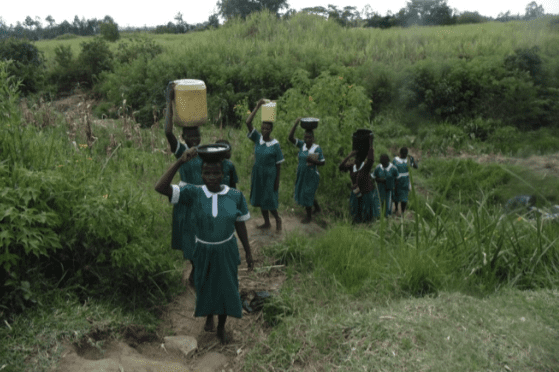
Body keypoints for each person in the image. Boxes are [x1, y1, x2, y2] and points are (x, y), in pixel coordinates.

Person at [154, 147, 254, 344]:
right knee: (205, 285)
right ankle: (209, 315)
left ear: (223, 174)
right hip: (203, 250)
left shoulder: (235, 196)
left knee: (226, 287)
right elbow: (160, 187)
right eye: (206, 172)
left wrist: (249, 252)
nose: (211, 177)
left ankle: (221, 327)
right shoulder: (193, 193)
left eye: (216, 172)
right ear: (200, 174)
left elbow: (240, 225)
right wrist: (180, 162)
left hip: (226, 250)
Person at [164, 82, 203, 286]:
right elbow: (168, 132)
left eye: (197, 135)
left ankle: (197, 268)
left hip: (202, 198)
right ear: (184, 137)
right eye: (190, 136)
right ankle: (194, 267)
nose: (194, 138)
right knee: (189, 235)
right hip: (187, 198)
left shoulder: (204, 151)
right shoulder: (182, 152)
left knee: (202, 234)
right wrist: (170, 102)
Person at [245, 98, 284, 231]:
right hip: (258, 173)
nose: (264, 130)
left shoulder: (275, 145)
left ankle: (278, 219)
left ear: (271, 129)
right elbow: (248, 122)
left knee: (269, 199)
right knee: (261, 197)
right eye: (263, 127)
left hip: (270, 174)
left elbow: (279, 164)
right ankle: (267, 222)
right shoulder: (257, 138)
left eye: (267, 128)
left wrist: (277, 181)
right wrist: (257, 107)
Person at [288, 117, 325, 223]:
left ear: (313, 139)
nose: (306, 139)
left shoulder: (316, 148)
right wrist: (295, 123)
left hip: (311, 175)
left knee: (307, 193)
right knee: (307, 192)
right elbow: (290, 138)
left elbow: (322, 162)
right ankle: (317, 208)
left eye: (309, 138)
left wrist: (313, 161)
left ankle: (308, 217)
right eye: (305, 137)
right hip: (302, 174)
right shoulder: (302, 145)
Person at [339, 136, 379, 224]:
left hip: (365, 192)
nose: (357, 159)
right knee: (355, 210)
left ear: (363, 159)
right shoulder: (352, 166)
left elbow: (371, 159)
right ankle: (356, 223)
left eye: (359, 158)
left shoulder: (365, 167)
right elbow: (341, 167)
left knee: (366, 211)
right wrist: (349, 155)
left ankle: (366, 224)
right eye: (356, 157)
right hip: (356, 192)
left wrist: (370, 145)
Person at [393, 147, 418, 216]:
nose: (404, 155)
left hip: (401, 180)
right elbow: (416, 167)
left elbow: (416, 166)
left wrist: (412, 160)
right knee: (400, 195)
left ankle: (399, 210)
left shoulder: (399, 160)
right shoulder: (400, 160)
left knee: (400, 195)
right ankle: (400, 210)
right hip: (402, 180)